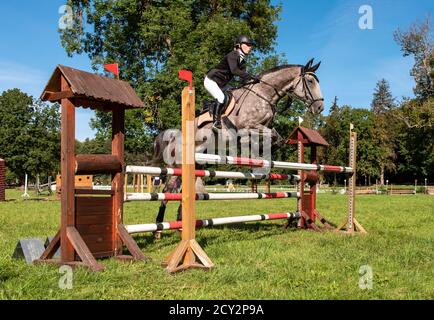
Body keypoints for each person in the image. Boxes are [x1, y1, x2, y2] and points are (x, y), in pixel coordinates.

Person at [204, 35, 259, 131]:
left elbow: (243, 78)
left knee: (234, 96)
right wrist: (250, 76)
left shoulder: (242, 62)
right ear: (239, 45)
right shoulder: (233, 55)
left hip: (222, 84)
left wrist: (253, 82)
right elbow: (234, 70)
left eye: (251, 46)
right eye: (248, 45)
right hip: (211, 80)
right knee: (221, 98)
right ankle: (216, 123)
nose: (250, 47)